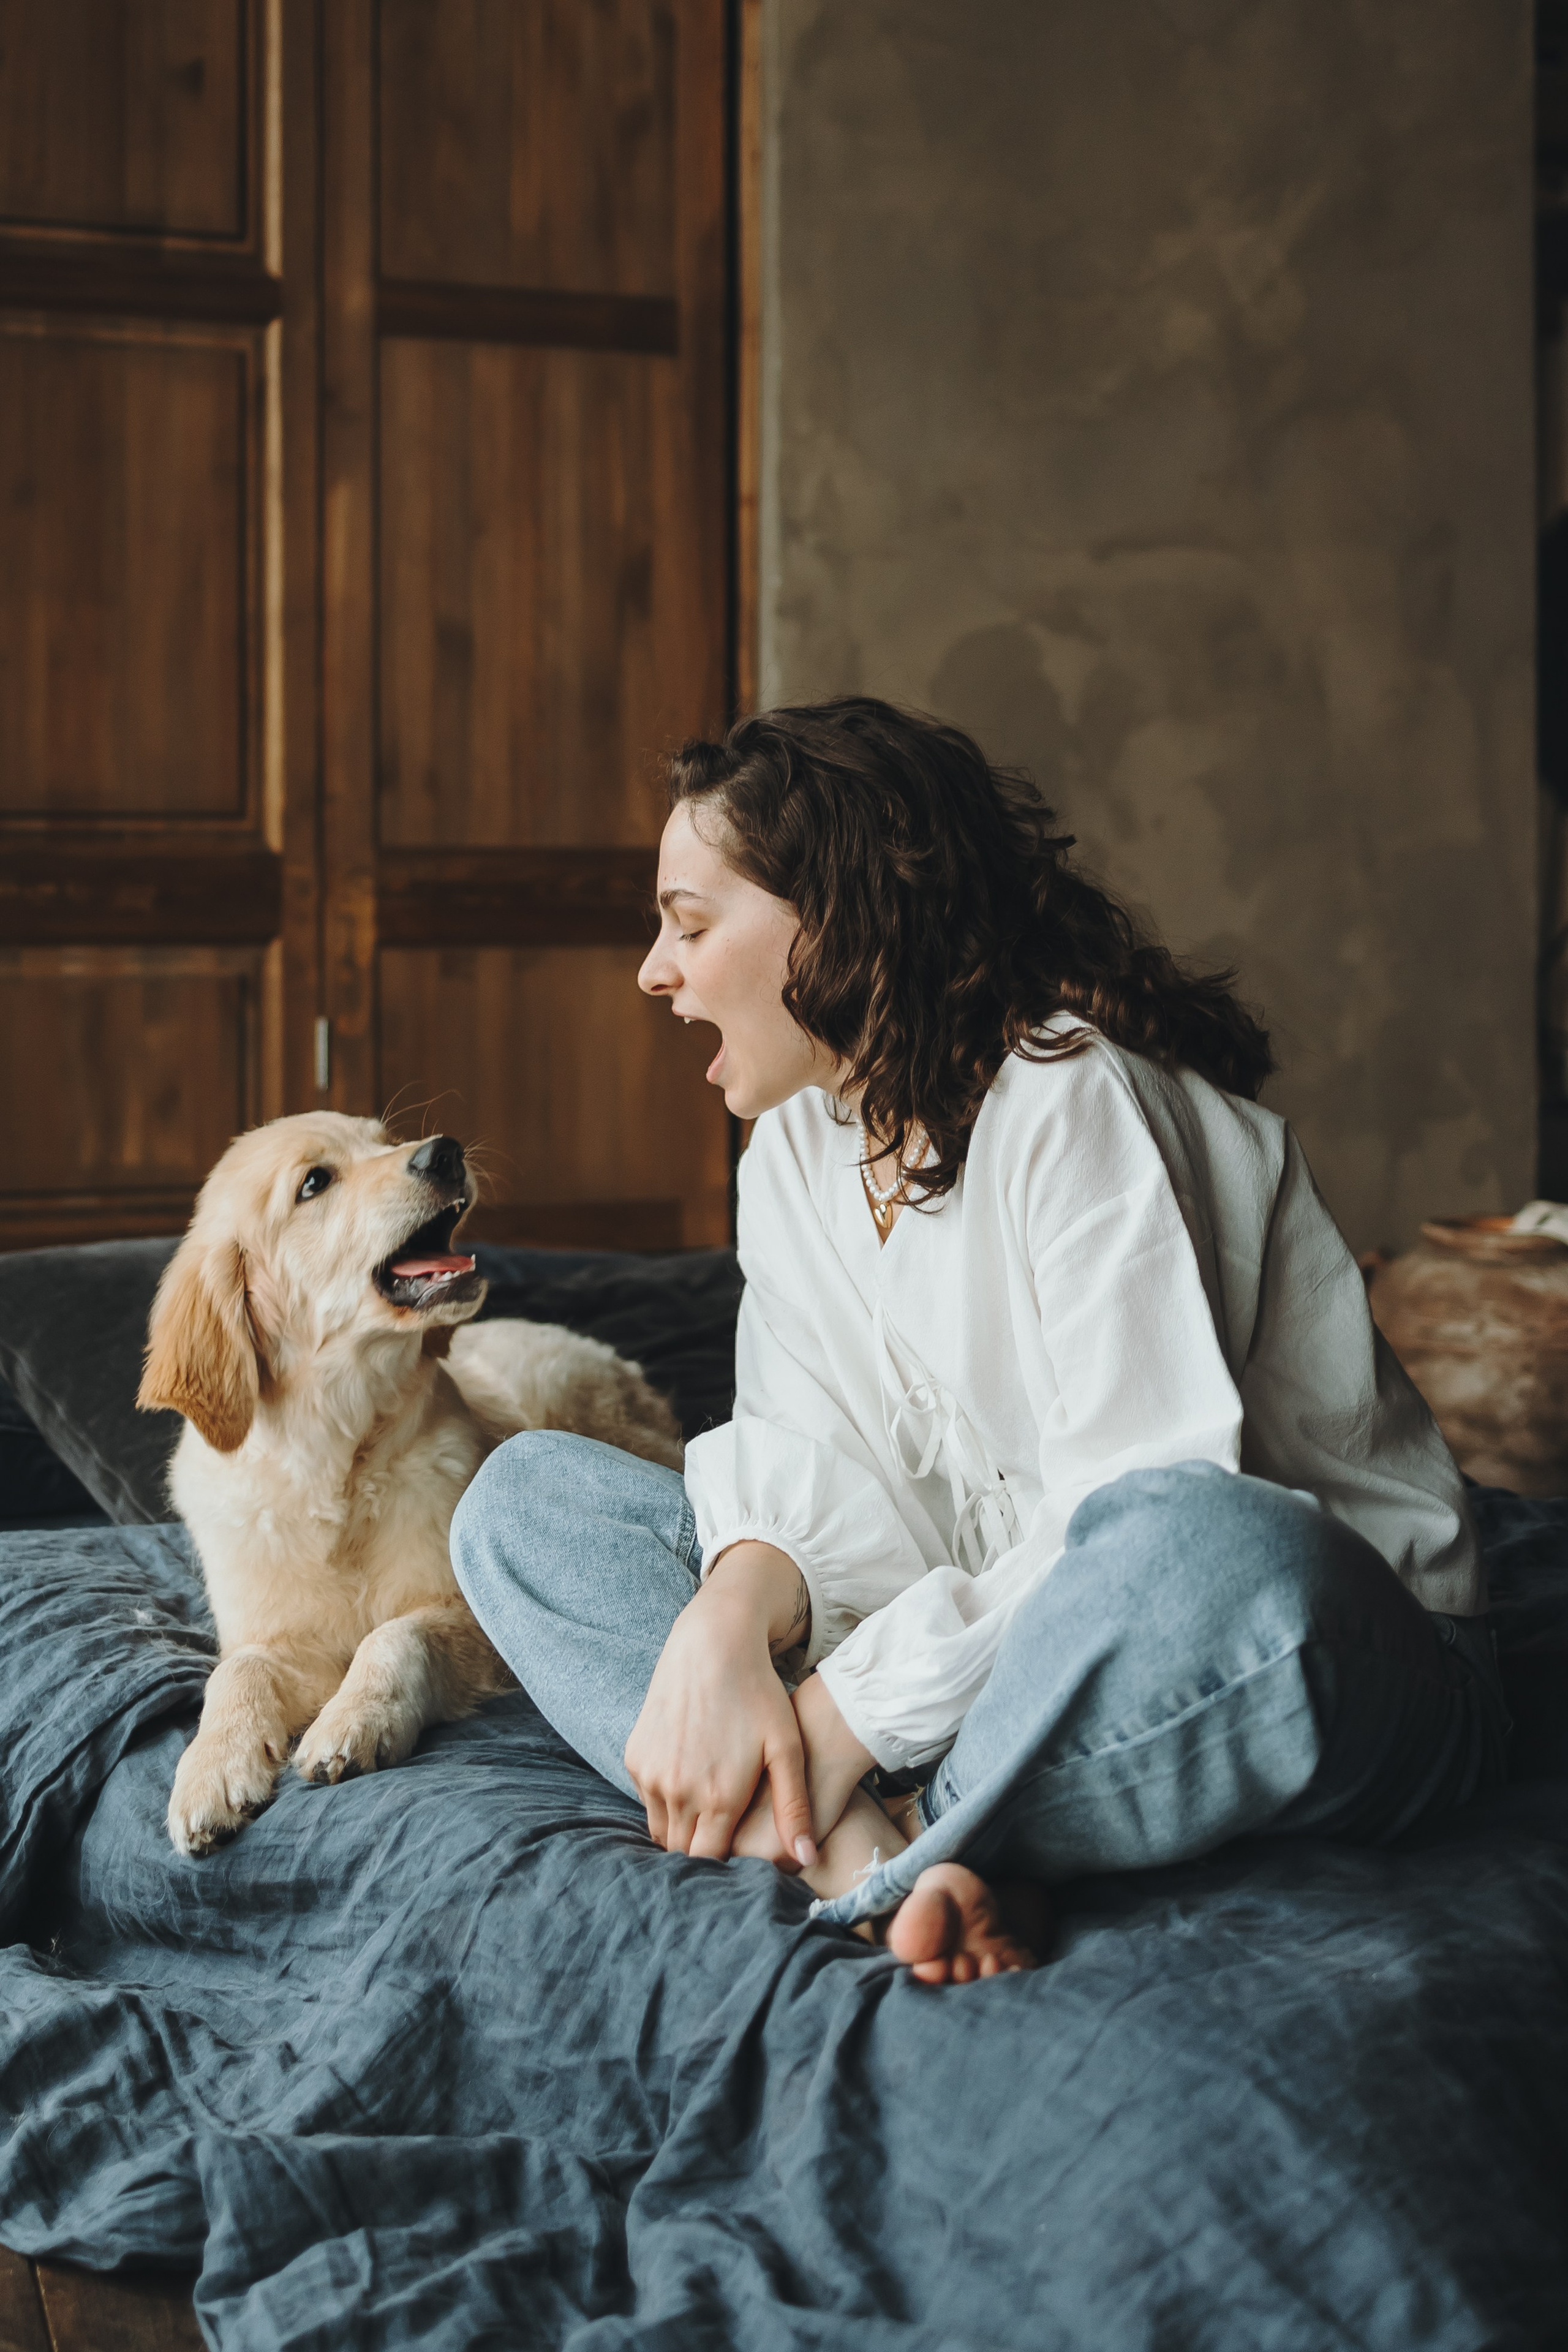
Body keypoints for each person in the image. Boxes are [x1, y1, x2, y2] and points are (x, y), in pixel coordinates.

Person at [451, 697, 1510, 1985]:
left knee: (1206, 1543)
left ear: (828, 922)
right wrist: (727, 1616)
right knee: (521, 1504)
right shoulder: (791, 1145)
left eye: (687, 924)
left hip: (1316, 1638)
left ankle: (872, 1840)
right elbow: (811, 1468)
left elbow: (1136, 1512)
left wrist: (839, 1718)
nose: (652, 973)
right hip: (982, 1654)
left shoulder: (1065, 1095)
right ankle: (897, 1857)